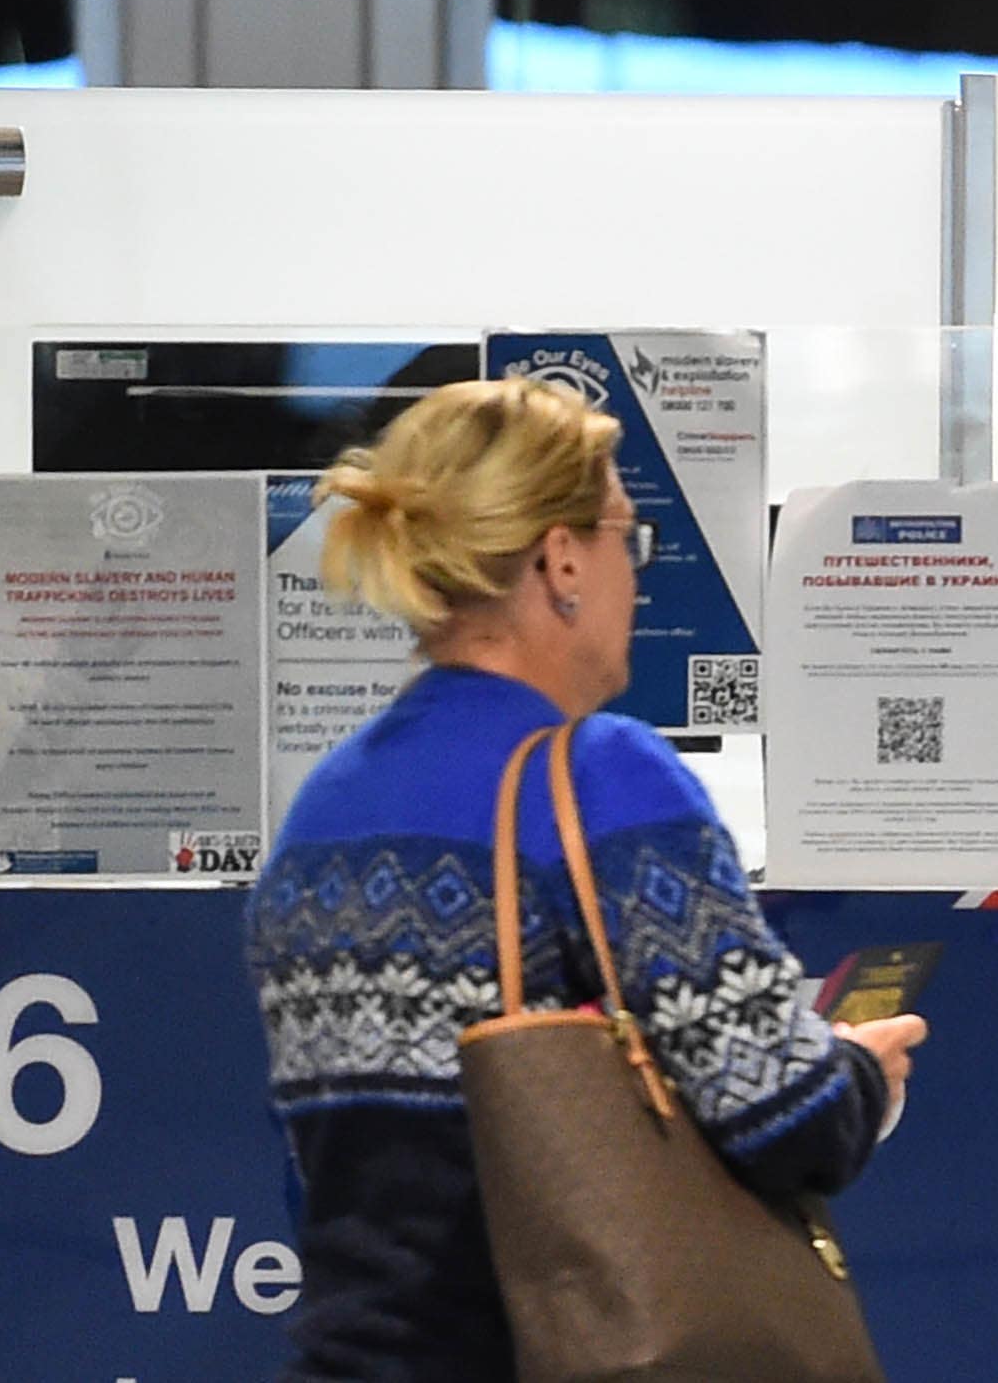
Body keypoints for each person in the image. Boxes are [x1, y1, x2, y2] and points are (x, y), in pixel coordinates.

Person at [245, 377, 925, 1381]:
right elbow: (787, 1120)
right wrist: (863, 1073)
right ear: (561, 558)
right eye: (626, 538)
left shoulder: (323, 808)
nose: (634, 576)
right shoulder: (604, 777)